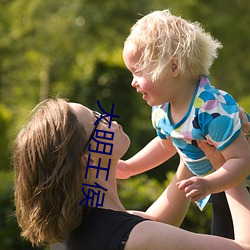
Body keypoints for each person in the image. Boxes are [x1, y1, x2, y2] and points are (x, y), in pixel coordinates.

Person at [13, 98, 250, 250]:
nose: (108, 117)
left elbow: (156, 221)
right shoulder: (137, 237)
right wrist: (226, 165)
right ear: (90, 159)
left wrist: (190, 138)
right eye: (97, 120)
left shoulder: (74, 233)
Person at [119, 9, 250, 238]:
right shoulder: (162, 110)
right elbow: (166, 145)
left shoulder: (211, 109)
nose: (133, 82)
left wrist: (209, 184)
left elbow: (242, 160)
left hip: (239, 185)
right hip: (220, 188)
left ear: (173, 67)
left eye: (138, 72)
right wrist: (130, 167)